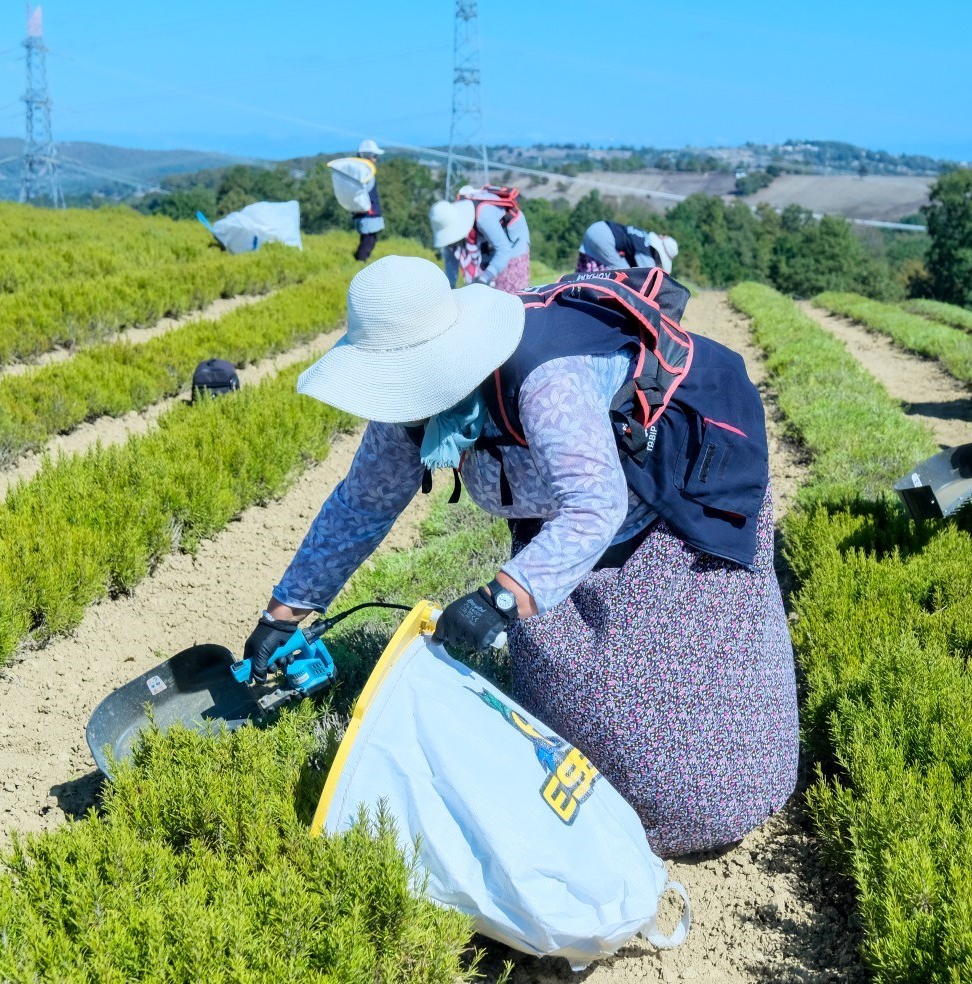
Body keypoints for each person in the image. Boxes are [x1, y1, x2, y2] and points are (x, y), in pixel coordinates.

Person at [242, 255, 799, 857]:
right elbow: (362, 506)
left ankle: (736, 791)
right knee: (578, 701)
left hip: (670, 505)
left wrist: (501, 598)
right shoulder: (412, 408)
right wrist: (282, 614)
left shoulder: (545, 378)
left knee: (693, 738)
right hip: (566, 519)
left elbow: (595, 506)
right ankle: (601, 813)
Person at [431, 185, 532, 293]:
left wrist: (484, 278)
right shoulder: (449, 221)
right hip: (487, 245)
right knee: (485, 289)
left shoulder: (484, 217)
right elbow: (451, 257)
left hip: (513, 243)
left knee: (510, 290)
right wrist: (450, 287)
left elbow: (504, 250)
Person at [576, 220, 678, 274]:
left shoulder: (643, 235)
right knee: (624, 275)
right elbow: (645, 275)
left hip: (596, 227)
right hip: (605, 238)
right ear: (658, 253)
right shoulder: (645, 253)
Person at [351, 139, 386, 262]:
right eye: (373, 156)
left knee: (369, 239)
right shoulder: (363, 171)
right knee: (368, 240)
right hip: (367, 211)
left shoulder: (359, 169)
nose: (375, 159)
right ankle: (359, 262)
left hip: (365, 211)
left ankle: (359, 261)